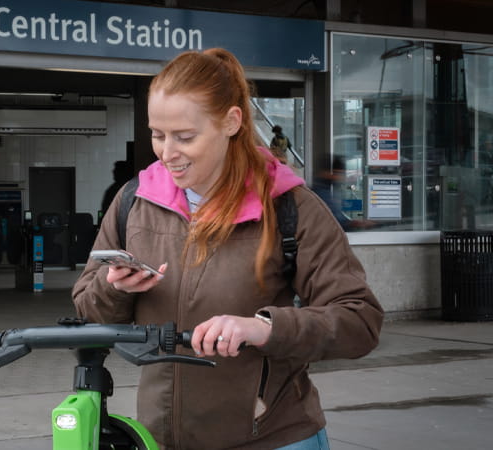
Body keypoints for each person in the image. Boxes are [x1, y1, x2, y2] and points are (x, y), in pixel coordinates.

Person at [72, 49, 383, 449]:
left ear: (231, 123)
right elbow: (85, 312)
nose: (167, 153)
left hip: (271, 436)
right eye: (157, 134)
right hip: (160, 439)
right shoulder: (134, 201)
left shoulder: (288, 206)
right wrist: (114, 287)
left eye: (185, 137)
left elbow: (360, 322)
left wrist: (266, 328)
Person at [311, 155, 375, 231]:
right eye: (338, 173)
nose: (339, 178)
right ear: (327, 172)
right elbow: (334, 221)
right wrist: (355, 224)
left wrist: (354, 223)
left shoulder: (327, 189)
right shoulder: (320, 192)